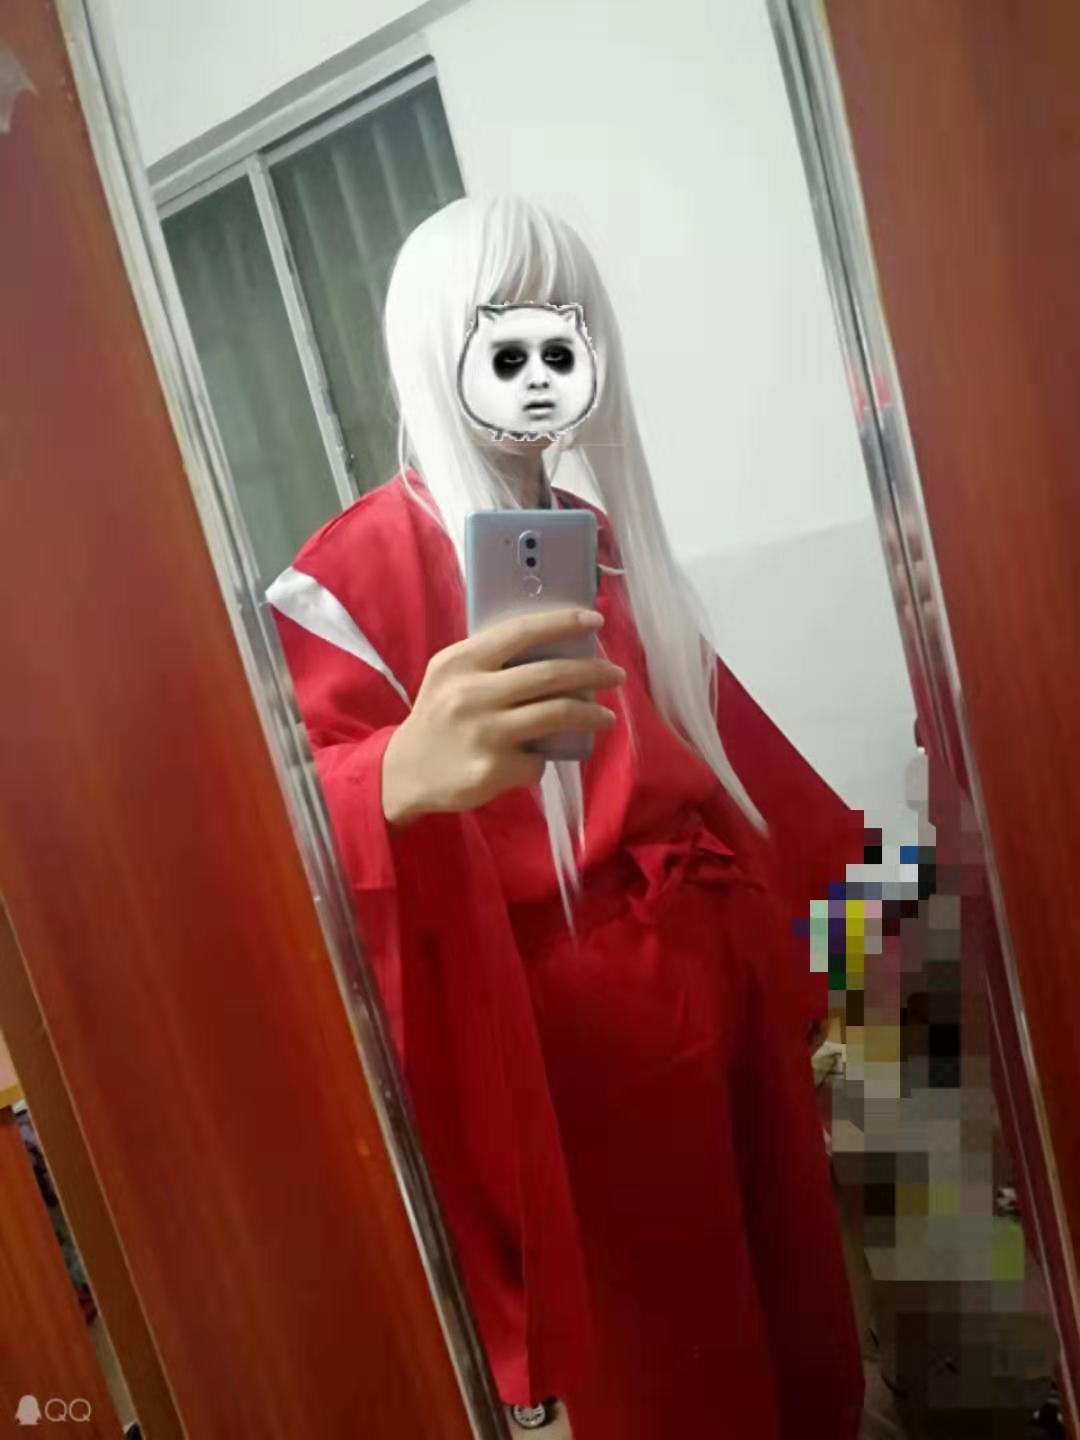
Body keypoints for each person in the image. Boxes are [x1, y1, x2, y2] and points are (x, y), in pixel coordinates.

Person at [268, 195, 866, 1439]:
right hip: (584, 1046)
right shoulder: (344, 580)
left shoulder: (595, 539)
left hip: (723, 978)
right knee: (678, 1375)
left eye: (568, 321)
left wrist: (888, 934)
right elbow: (277, 838)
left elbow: (740, 765)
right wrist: (390, 776)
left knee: (806, 1323)